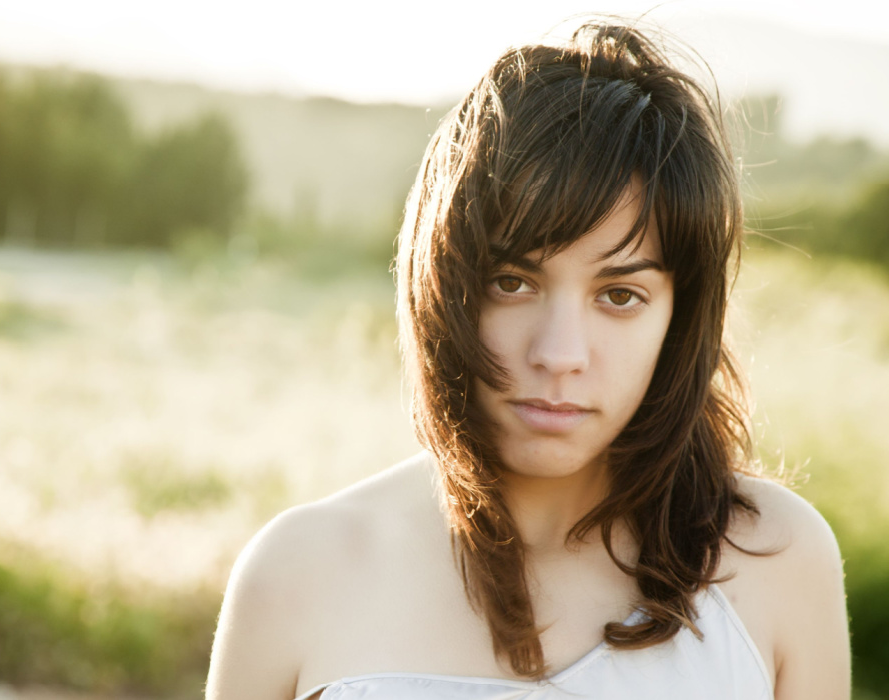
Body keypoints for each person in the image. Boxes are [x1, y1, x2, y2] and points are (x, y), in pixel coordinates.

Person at [205, 20, 850, 700]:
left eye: (621, 295)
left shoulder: (775, 562)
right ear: (443, 283)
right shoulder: (297, 576)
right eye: (512, 282)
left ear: (680, 318)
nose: (559, 355)